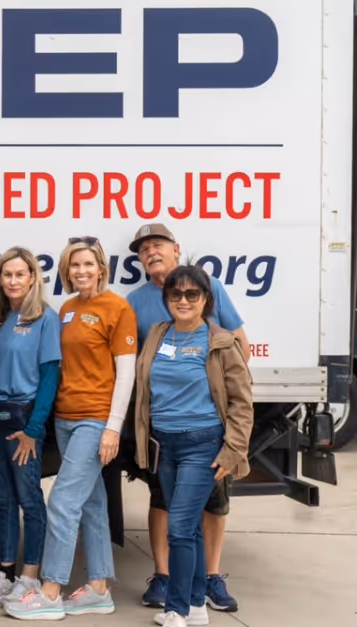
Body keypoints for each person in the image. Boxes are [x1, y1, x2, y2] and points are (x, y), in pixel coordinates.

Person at [4, 236, 137, 621]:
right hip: (65, 418)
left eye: (88, 265)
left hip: (96, 420)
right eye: (74, 266)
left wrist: (113, 428)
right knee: (92, 503)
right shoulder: (66, 309)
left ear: (101, 268)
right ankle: (98, 589)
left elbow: (125, 374)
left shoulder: (118, 309)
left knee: (61, 502)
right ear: (66, 271)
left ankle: (49, 590)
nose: (81, 271)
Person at [127, 224, 248, 612]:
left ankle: (207, 582)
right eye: (144, 249)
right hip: (164, 435)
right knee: (163, 503)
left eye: (157, 245)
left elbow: (237, 343)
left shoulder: (208, 287)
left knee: (208, 508)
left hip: (204, 432)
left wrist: (234, 424)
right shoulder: (137, 303)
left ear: (176, 248)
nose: (151, 252)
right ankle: (165, 577)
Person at [0, 247, 60, 606]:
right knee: (5, 500)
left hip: (24, 417)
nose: (12, 280)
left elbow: (50, 375)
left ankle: (30, 576)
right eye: (6, 275)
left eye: (19, 274)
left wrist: (34, 429)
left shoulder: (44, 318)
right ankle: (5, 573)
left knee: (30, 499)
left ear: (32, 278)